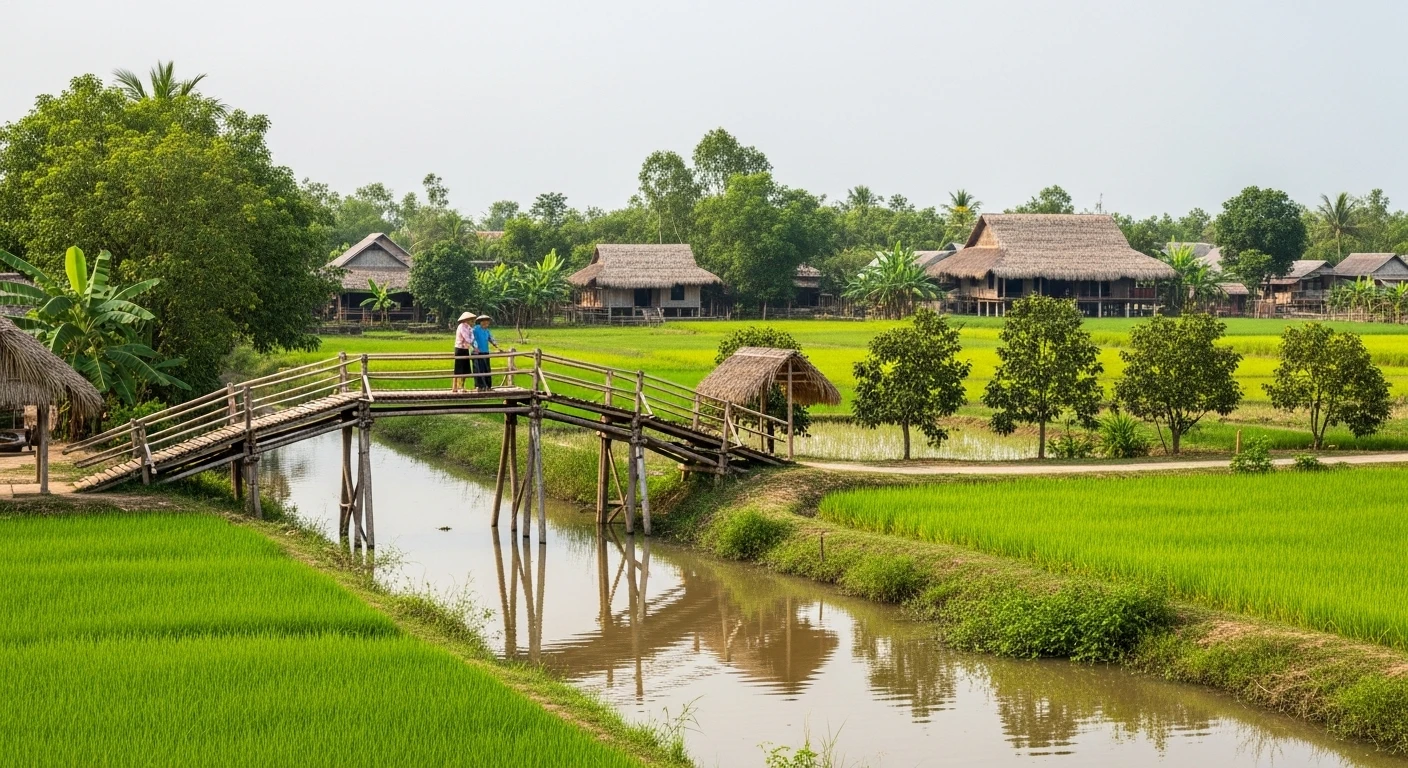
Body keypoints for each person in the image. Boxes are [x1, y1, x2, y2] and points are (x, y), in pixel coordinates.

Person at [471, 314, 502, 391]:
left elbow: (491, 339)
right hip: (477, 353)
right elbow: (472, 339)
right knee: (478, 370)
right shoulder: (475, 329)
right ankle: (479, 386)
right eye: (483, 321)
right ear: (480, 322)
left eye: (487, 321)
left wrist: (497, 346)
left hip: (485, 352)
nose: (485, 323)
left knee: (487, 369)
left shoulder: (487, 331)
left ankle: (488, 386)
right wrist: (475, 347)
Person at [452, 311, 475, 393]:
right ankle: (455, 387)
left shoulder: (469, 327)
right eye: (471, 320)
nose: (472, 321)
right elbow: (468, 339)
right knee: (458, 369)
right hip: (460, 349)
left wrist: (473, 344)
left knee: (465, 369)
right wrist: (472, 340)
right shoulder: (461, 327)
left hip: (465, 349)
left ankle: (462, 386)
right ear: (466, 319)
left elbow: (471, 338)